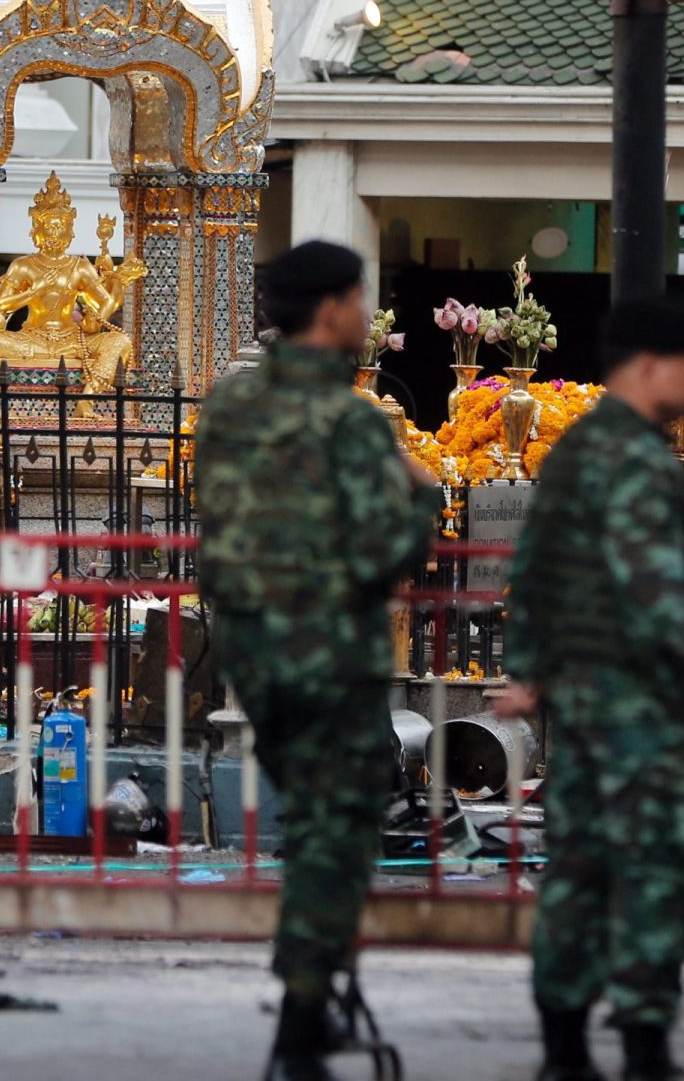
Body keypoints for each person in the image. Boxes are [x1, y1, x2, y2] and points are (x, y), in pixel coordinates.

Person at [190, 241, 436, 1081]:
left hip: (253, 650)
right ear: (333, 309)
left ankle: (313, 992)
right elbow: (388, 549)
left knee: (314, 815)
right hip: (331, 652)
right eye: (362, 299)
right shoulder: (350, 421)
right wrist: (425, 496)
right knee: (337, 831)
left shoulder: (227, 408)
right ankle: (302, 1004)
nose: (367, 314)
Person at [497, 297, 684, 1081]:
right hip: (646, 707)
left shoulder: (576, 452)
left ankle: (563, 1046)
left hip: (584, 700)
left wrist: (531, 670)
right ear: (649, 365)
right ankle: (644, 1042)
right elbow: (656, 598)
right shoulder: (637, 463)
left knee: (579, 871)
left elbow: (530, 571)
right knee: (657, 872)